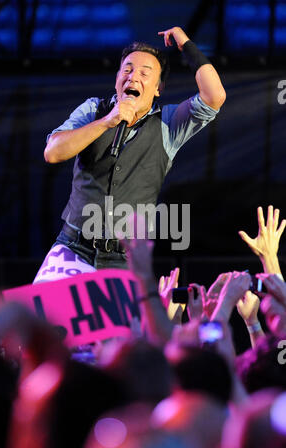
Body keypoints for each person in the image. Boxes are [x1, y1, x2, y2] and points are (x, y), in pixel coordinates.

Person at [34, 26, 226, 283]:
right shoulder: (94, 110)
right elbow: (53, 152)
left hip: (124, 261)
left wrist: (186, 45)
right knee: (40, 321)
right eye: (127, 70)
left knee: (124, 325)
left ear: (158, 88)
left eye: (145, 73)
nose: (133, 77)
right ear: (116, 79)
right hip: (73, 248)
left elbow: (214, 96)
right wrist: (107, 122)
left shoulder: (169, 124)